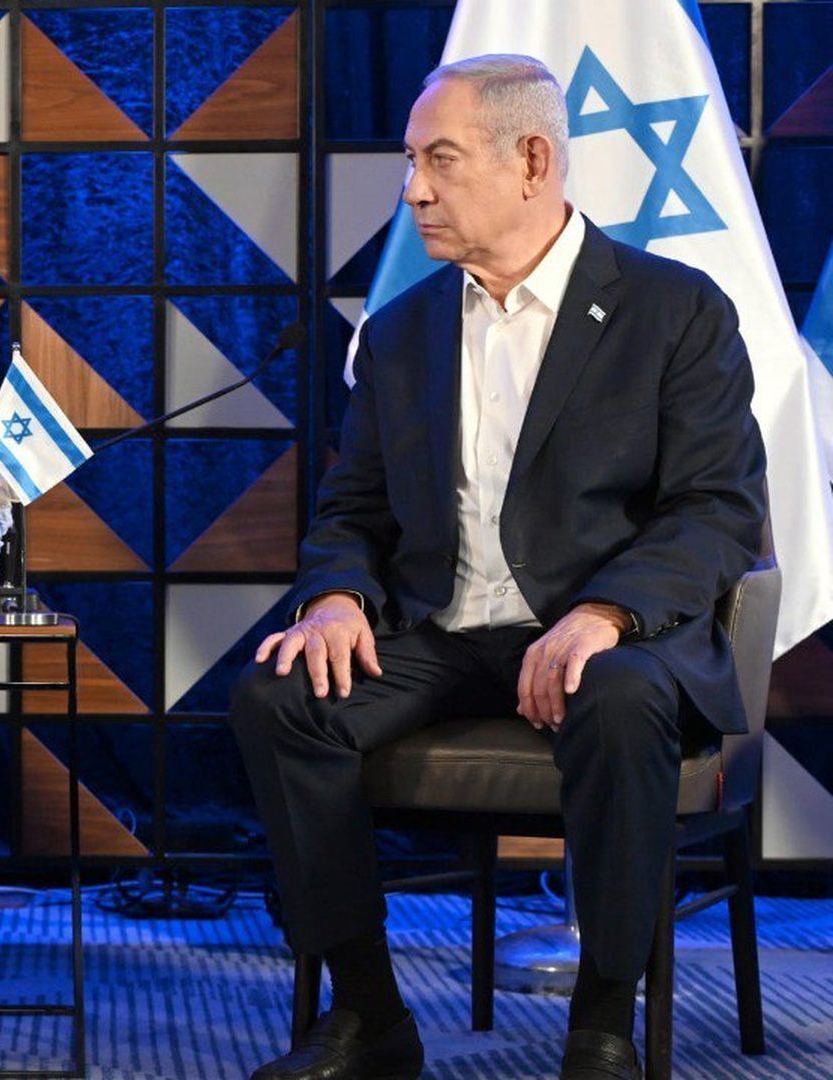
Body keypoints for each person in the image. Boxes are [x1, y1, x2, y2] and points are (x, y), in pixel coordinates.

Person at [229, 54, 765, 1080]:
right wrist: (338, 596)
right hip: (441, 629)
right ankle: (370, 1015)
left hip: (604, 639)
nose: (414, 189)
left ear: (531, 160)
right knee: (279, 697)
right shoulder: (402, 331)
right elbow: (354, 510)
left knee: (617, 698)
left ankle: (604, 1023)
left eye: (439, 159)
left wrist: (606, 611)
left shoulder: (674, 312)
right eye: (409, 161)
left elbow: (718, 509)